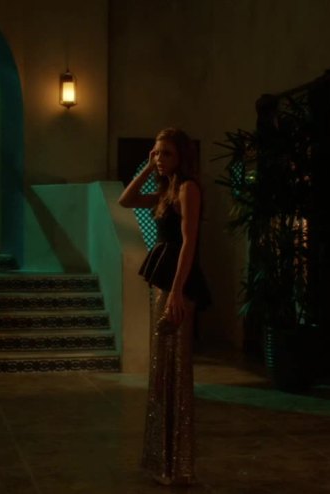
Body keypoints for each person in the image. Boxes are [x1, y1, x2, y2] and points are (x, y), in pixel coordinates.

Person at [118, 127, 211, 486]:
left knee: (175, 370)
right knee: (161, 371)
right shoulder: (166, 189)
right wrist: (148, 167)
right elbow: (126, 200)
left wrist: (177, 291)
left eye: (166, 153)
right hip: (162, 282)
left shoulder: (188, 188)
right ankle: (162, 461)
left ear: (182, 156)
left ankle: (178, 465)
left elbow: (190, 242)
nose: (159, 158)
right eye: (156, 152)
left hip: (177, 283)